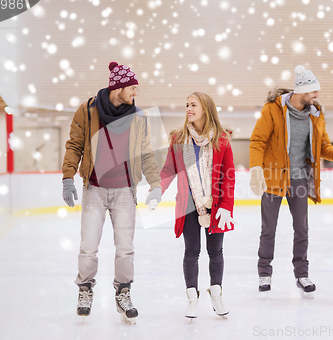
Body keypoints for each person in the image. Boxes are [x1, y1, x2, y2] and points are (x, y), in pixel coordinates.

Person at [61, 62, 162, 324]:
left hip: (125, 191)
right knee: (88, 247)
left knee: (125, 248)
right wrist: (68, 178)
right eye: (133, 88)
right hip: (94, 187)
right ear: (118, 87)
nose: (135, 94)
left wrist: (156, 183)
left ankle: (123, 292)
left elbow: (146, 152)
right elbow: (74, 145)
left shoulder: (138, 116)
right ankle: (85, 290)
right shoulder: (88, 110)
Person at [249, 65, 333, 298]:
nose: (317, 96)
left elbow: (322, 145)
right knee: (268, 229)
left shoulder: (315, 114)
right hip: (274, 177)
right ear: (302, 90)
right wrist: (255, 168)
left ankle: (301, 274)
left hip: (300, 179)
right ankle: (265, 273)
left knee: (302, 229)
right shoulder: (272, 110)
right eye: (314, 92)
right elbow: (258, 141)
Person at [159, 91, 236, 318]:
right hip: (188, 205)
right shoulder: (179, 139)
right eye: (187, 105)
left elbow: (228, 176)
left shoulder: (221, 139)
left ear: (206, 108)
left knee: (216, 252)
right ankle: (192, 298)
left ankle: (216, 294)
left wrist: (226, 206)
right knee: (191, 252)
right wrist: (157, 189)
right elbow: (167, 170)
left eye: (193, 105)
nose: (189, 109)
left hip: (216, 204)